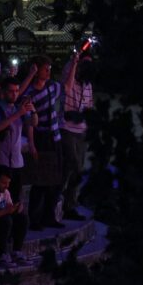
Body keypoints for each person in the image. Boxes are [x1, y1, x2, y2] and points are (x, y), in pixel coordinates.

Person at [19, 56, 64, 229]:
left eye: (49, 69)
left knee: (55, 179)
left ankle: (49, 216)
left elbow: (65, 86)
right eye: (46, 69)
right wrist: (32, 144)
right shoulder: (30, 93)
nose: (48, 72)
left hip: (55, 136)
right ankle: (35, 219)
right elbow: (29, 121)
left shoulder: (52, 86)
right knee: (40, 180)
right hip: (42, 137)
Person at [0, 76, 35, 202]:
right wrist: (18, 113)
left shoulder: (19, 108)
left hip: (16, 162)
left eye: (17, 91)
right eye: (11, 91)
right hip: (0, 162)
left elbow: (33, 123)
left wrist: (33, 111)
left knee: (15, 199)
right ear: (3, 92)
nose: (14, 94)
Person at [61, 52, 93, 221]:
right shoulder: (70, 79)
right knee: (74, 167)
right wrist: (74, 62)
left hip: (82, 132)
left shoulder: (88, 85)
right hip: (67, 129)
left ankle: (68, 205)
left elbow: (89, 106)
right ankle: (63, 201)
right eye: (84, 64)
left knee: (75, 170)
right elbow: (66, 85)